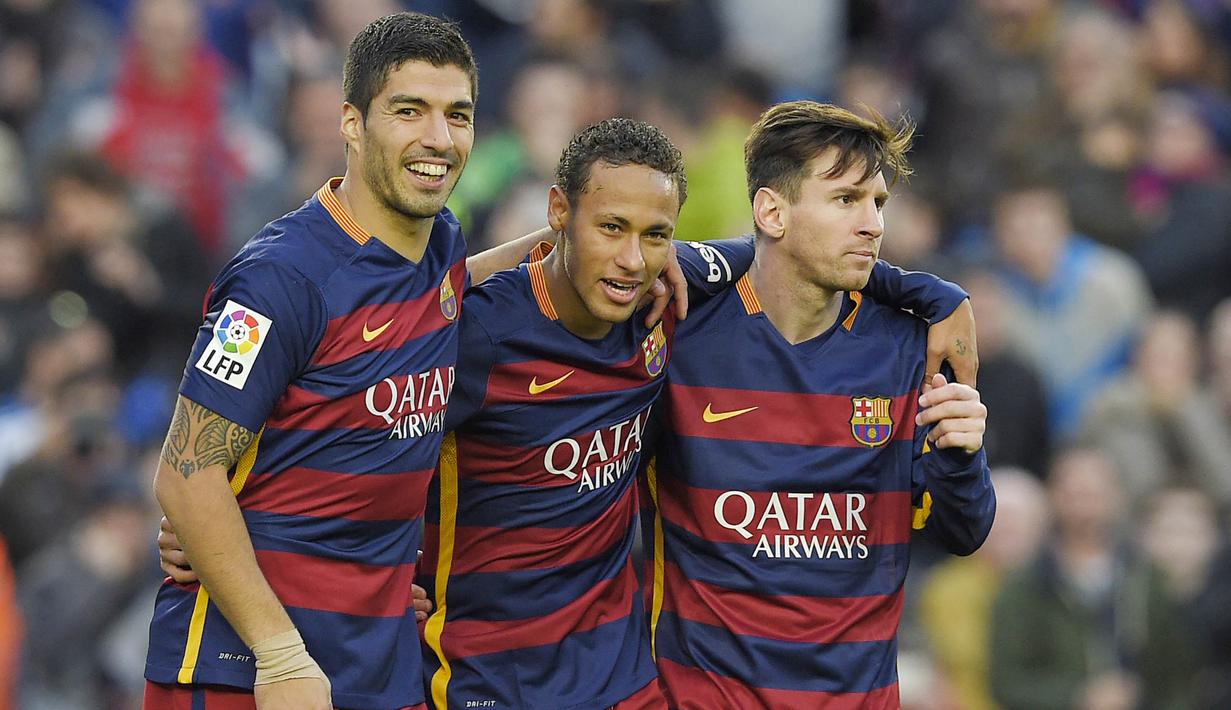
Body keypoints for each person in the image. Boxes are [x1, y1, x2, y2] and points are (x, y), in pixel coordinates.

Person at [142, 12, 611, 710]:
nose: (438, 137)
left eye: (458, 114)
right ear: (352, 124)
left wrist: (587, 249)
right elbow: (186, 476)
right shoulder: (280, 279)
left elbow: (449, 292)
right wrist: (280, 655)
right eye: (408, 111)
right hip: (249, 671)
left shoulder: (439, 248)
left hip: (377, 663)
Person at [640, 101, 996, 708]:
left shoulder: (908, 347)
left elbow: (962, 532)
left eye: (878, 203)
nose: (873, 224)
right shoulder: (681, 332)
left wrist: (962, 457)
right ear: (771, 212)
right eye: (845, 200)